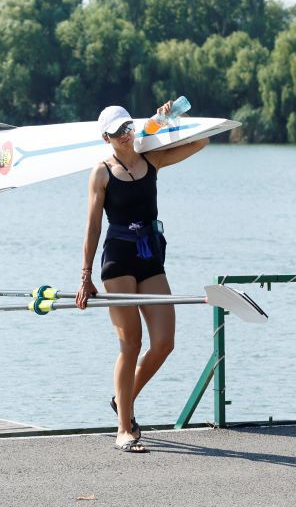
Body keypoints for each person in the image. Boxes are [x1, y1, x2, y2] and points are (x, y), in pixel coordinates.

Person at [75, 103, 209, 453]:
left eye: (128, 127)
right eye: (118, 131)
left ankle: (123, 399)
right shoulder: (101, 173)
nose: (125, 134)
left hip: (150, 256)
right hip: (117, 259)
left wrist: (167, 120)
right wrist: (85, 276)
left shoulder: (152, 159)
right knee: (130, 343)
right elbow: (92, 227)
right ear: (106, 137)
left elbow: (201, 143)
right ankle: (124, 429)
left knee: (164, 342)